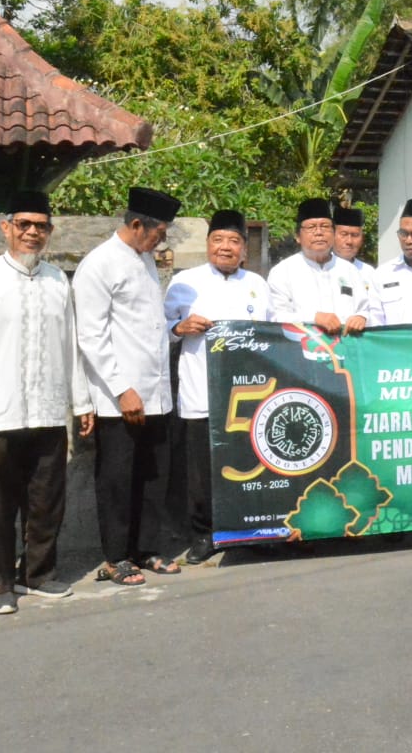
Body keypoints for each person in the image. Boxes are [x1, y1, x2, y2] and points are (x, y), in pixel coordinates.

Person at [0, 191, 95, 614]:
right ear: (7, 227)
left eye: (41, 226)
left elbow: (71, 343)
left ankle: (38, 574)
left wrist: (81, 401)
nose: (32, 232)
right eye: (24, 224)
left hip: (49, 410)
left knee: (46, 500)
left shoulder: (57, 279)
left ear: (50, 232)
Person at [73, 187, 183, 586]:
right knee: (118, 480)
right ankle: (115, 557)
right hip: (122, 398)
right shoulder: (99, 264)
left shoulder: (146, 261)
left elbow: (149, 327)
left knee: (154, 477)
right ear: (137, 225)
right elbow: (91, 335)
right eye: (160, 233)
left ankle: (146, 548)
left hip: (157, 394)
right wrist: (122, 389)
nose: (162, 240)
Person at [164, 209, 273, 565]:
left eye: (233, 241)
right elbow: (160, 329)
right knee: (201, 473)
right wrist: (179, 329)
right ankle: (203, 535)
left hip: (249, 396)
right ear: (208, 243)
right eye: (218, 240)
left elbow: (274, 337)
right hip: (200, 392)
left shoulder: (258, 285)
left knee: (248, 465)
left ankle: (248, 532)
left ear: (244, 249)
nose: (225, 248)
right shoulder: (184, 283)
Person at [268, 198, 370, 333]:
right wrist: (314, 318)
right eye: (311, 227)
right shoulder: (282, 272)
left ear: (334, 234)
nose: (319, 232)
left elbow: (365, 310)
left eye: (325, 226)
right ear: (298, 236)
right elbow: (275, 317)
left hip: (345, 348)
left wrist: (362, 317)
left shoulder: (350, 270)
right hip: (301, 348)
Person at [333, 205, 375, 300]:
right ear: (332, 235)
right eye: (343, 234)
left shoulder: (368, 272)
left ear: (362, 239)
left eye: (355, 235)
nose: (349, 241)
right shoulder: (322, 268)